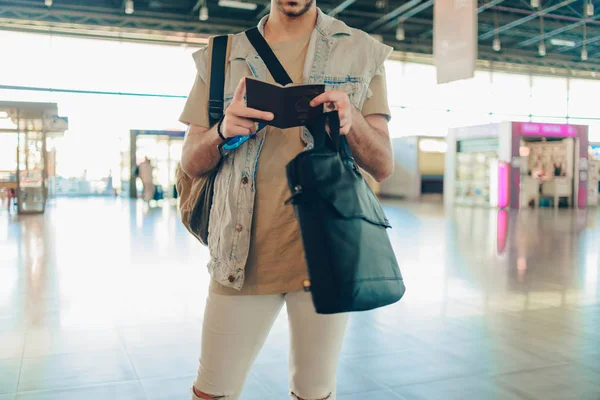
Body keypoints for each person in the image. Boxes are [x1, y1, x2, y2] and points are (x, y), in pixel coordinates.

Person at [179, 1, 394, 399]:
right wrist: (223, 129)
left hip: (326, 254)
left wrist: (353, 121)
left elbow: (382, 164)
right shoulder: (222, 54)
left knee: (314, 392)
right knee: (212, 391)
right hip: (239, 257)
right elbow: (191, 161)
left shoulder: (363, 50)